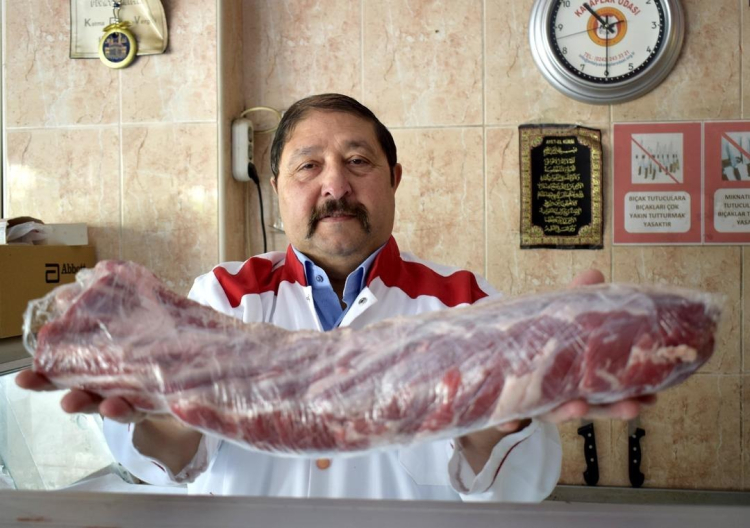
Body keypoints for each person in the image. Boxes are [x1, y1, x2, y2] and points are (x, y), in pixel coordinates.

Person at [16, 93, 653, 502]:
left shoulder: (468, 305)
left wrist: (499, 421)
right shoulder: (221, 298)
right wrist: (156, 413)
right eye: (308, 166)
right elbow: (174, 458)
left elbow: (517, 488)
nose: (335, 185)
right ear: (276, 185)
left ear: (393, 180)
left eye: (358, 162)